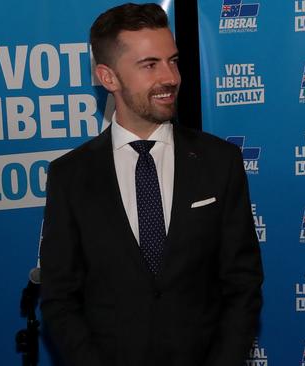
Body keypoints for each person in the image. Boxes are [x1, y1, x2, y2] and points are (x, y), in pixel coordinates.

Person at [40, 4, 263, 366]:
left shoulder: (220, 162)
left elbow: (243, 284)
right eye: (150, 65)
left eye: (172, 61)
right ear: (108, 77)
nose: (170, 76)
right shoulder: (70, 176)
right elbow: (59, 298)